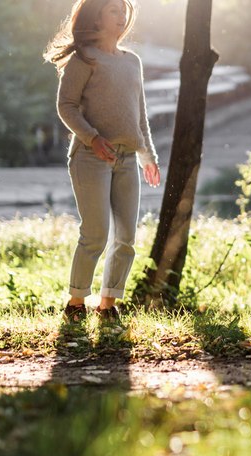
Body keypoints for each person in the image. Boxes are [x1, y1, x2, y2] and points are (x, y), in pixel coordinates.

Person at [44, 0, 160, 324]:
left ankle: (108, 305)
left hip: (126, 160)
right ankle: (76, 302)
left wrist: (147, 156)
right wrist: (93, 138)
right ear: (97, 17)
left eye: (124, 11)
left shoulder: (132, 62)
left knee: (126, 238)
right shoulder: (83, 59)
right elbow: (66, 106)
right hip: (90, 157)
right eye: (113, 10)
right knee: (95, 233)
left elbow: (140, 117)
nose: (121, 16)